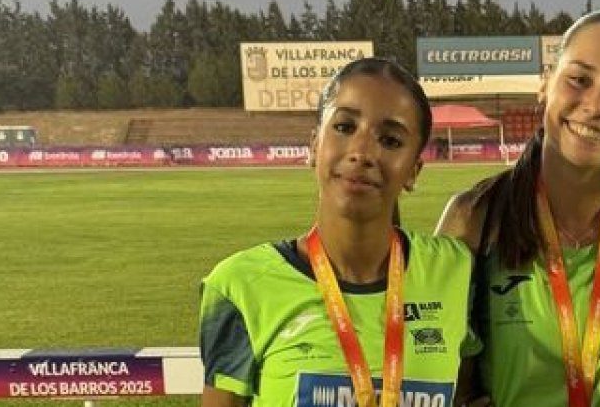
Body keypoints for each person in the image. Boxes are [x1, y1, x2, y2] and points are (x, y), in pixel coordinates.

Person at [436, 9, 600, 406]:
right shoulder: (474, 220)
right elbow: (439, 384)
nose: (597, 106)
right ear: (545, 85)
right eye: (579, 80)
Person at [199, 57, 478, 407]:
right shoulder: (240, 285)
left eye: (391, 141)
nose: (362, 153)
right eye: (345, 127)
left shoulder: (455, 271)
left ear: (413, 171)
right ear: (315, 145)